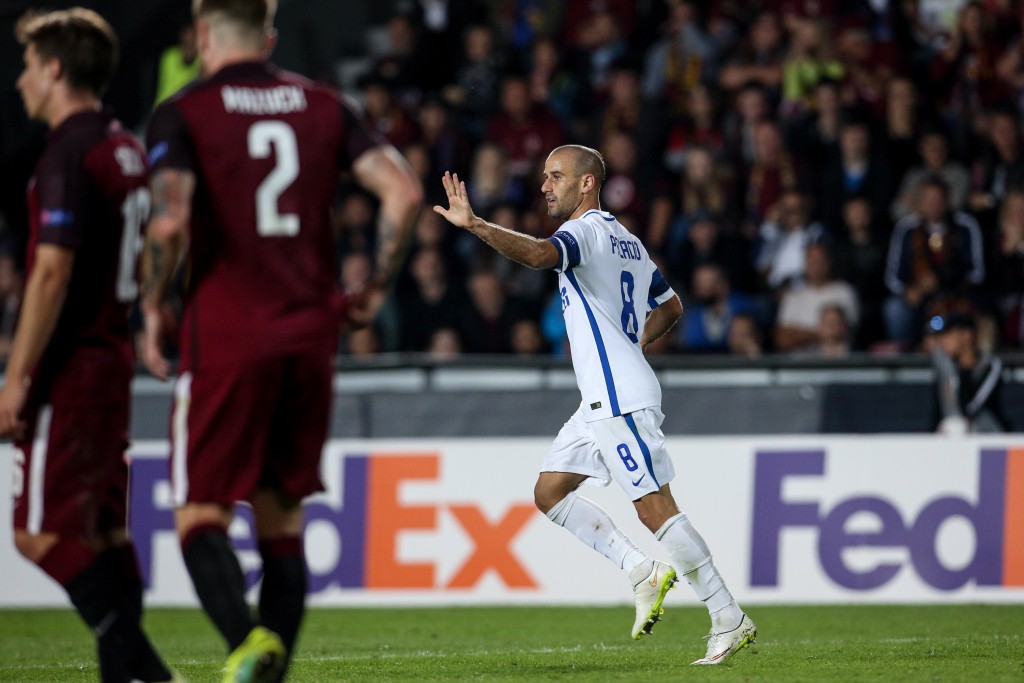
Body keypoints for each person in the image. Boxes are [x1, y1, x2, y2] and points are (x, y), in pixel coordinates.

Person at [140, 1, 422, 680]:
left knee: (199, 512)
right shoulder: (324, 103)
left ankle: (248, 642)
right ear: (268, 38)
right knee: (281, 520)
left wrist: (152, 304)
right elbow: (404, 192)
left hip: (227, 337)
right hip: (308, 337)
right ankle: (269, 665)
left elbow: (170, 224)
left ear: (203, 36)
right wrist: (376, 286)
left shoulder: (184, 111)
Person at [434, 144, 757, 665]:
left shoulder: (582, 232)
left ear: (587, 183)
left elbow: (541, 255)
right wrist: (632, 344)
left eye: (556, 176)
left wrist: (475, 225)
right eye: (543, 176)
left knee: (655, 509)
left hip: (620, 398)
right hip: (602, 399)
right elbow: (671, 305)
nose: (545, 186)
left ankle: (727, 615)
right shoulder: (628, 240)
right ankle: (641, 570)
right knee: (550, 493)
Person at [1, 8, 176, 682]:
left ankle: (152, 675)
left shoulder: (67, 151)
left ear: (53, 69)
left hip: (69, 367)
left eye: (26, 65)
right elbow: (156, 239)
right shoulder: (123, 146)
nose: (18, 82)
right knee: (105, 534)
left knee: (36, 532)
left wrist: (16, 377)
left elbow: (51, 269)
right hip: (111, 359)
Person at [929, 312, 1010, 433]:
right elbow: (938, 410)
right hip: (954, 437)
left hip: (987, 435)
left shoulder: (989, 365)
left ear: (966, 335)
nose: (943, 341)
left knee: (957, 425)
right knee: (952, 426)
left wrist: (964, 370)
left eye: (948, 335)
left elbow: (970, 407)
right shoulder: (947, 366)